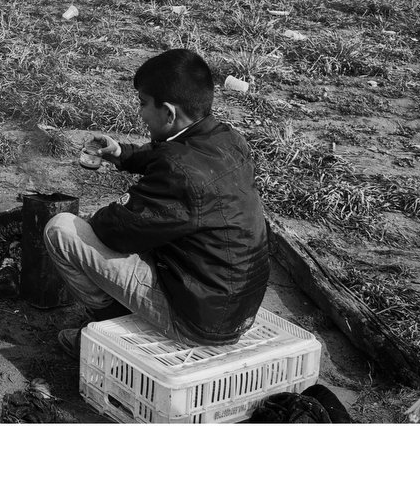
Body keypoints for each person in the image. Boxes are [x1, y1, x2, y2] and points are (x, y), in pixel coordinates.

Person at [44, 48, 269, 357]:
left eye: (143, 104)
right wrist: (124, 155)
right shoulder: (227, 138)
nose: (139, 113)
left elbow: (114, 231)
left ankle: (111, 333)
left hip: (197, 323)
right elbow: (172, 153)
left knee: (62, 230)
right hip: (231, 305)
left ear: (168, 113)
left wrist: (113, 212)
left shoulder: (179, 174)